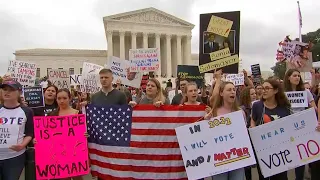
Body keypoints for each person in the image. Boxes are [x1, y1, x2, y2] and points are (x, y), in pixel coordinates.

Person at [34, 88, 87, 180]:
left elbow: (84, 131)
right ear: (56, 99)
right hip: (59, 154)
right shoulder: (52, 115)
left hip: (75, 153)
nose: (61, 101)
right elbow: (47, 135)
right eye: (59, 98)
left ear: (70, 98)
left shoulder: (78, 114)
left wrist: (85, 134)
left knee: (77, 177)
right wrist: (38, 139)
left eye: (64, 98)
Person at [204, 81, 246, 180]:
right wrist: (206, 122)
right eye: (229, 90)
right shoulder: (213, 112)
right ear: (221, 93)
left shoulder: (240, 112)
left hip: (237, 157)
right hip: (219, 158)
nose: (232, 92)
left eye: (234, 90)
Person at [250, 79, 291, 180]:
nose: (264, 91)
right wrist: (254, 130)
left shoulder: (284, 107)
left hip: (281, 150)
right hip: (263, 150)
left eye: (267, 88)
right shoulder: (257, 105)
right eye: (263, 88)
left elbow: (289, 125)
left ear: (276, 90)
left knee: (281, 177)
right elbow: (253, 120)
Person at [283, 69, 317, 180]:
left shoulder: (306, 92)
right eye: (294, 75)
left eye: (298, 76)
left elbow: (314, 108)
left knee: (303, 153)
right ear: (288, 77)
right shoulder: (283, 94)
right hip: (288, 128)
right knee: (293, 155)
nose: (297, 77)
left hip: (303, 127)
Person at [0, 80, 34, 180]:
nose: (7, 92)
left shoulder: (27, 111)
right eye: (4, 89)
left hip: (14, 157)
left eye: (11, 90)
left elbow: (29, 133)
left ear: (19, 92)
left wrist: (22, 145)